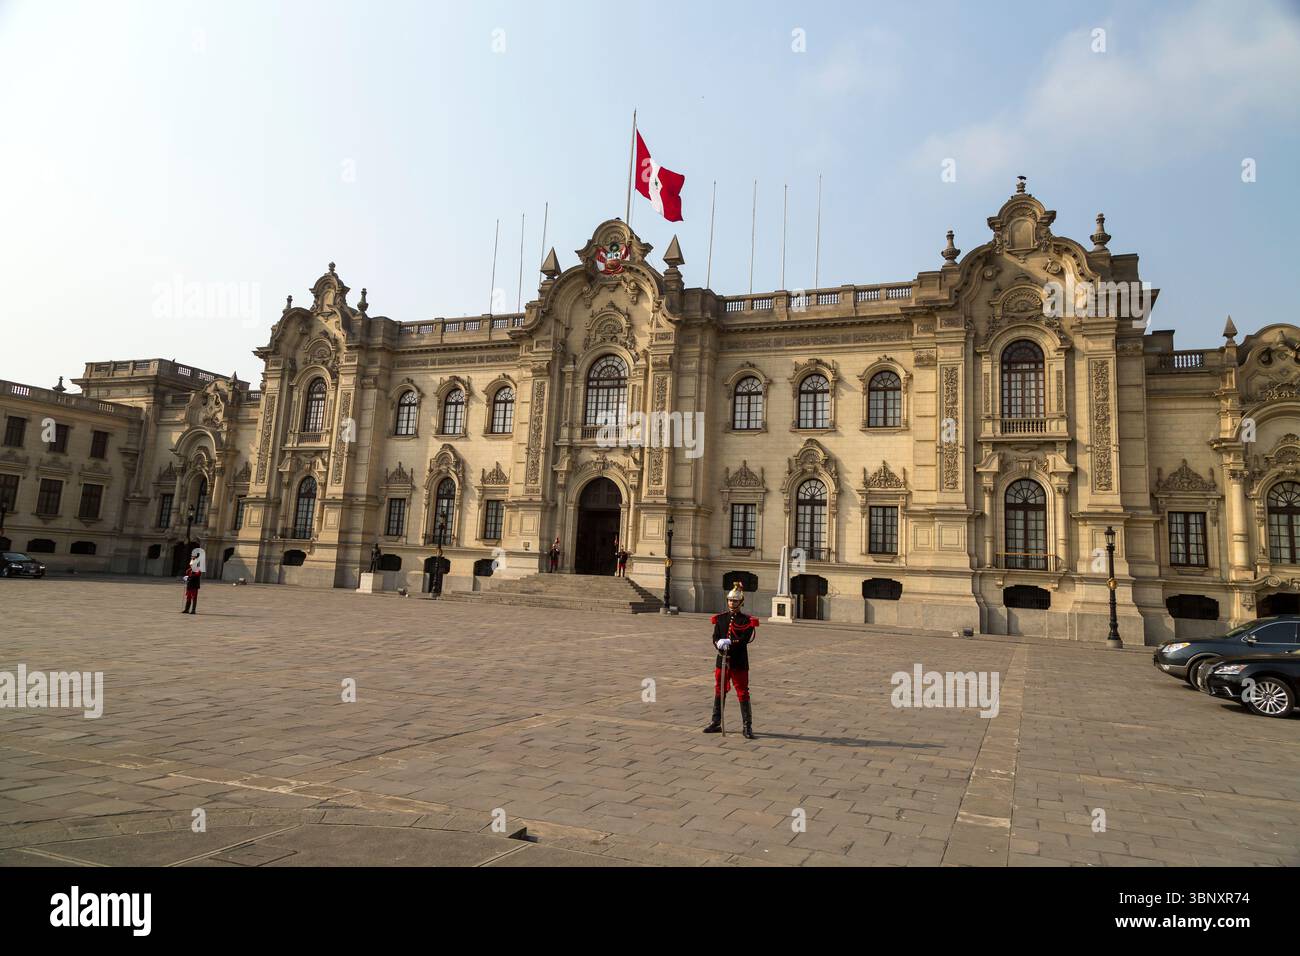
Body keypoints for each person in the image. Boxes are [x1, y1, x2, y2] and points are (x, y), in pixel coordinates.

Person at [702, 581, 758, 739]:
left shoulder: (746, 621)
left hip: (738, 661)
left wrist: (730, 643)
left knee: (742, 692)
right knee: (719, 690)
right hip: (722, 661)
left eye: (735, 601)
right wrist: (719, 644)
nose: (732, 603)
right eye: (730, 600)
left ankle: (747, 726)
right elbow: (715, 637)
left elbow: (744, 639)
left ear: (741, 603)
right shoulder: (720, 619)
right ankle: (716, 721)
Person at [181, 549, 202, 614]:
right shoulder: (191, 567)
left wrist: (189, 577)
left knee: (194, 597)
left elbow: (197, 574)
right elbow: (188, 571)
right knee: (188, 597)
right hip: (189, 584)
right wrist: (188, 573)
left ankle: (193, 610)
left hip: (194, 585)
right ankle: (186, 609)